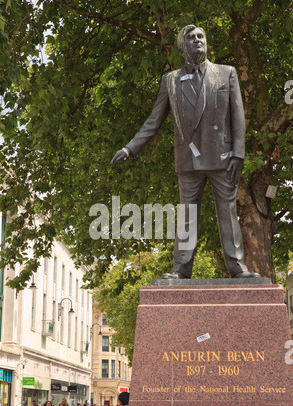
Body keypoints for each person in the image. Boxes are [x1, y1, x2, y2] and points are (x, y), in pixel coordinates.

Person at [111, 25, 259, 280]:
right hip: (188, 159)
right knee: (187, 216)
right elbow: (153, 120)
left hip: (222, 157)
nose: (197, 40)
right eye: (191, 38)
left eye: (201, 36)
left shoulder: (227, 74)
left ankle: (238, 267)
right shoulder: (170, 80)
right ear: (182, 48)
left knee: (228, 213)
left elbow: (238, 117)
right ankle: (180, 269)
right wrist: (130, 147)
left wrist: (238, 154)